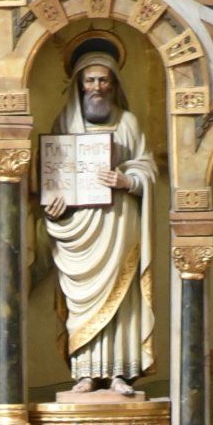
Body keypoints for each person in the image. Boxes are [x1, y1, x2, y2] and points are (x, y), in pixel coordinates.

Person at [42, 41, 155, 396]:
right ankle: (86, 372)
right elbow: (53, 175)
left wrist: (127, 180)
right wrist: (55, 204)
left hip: (118, 222)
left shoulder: (128, 123)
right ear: (79, 83)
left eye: (104, 80)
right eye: (90, 80)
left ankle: (120, 372)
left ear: (114, 83)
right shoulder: (64, 122)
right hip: (80, 230)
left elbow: (148, 169)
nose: (97, 87)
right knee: (81, 301)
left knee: (122, 299)